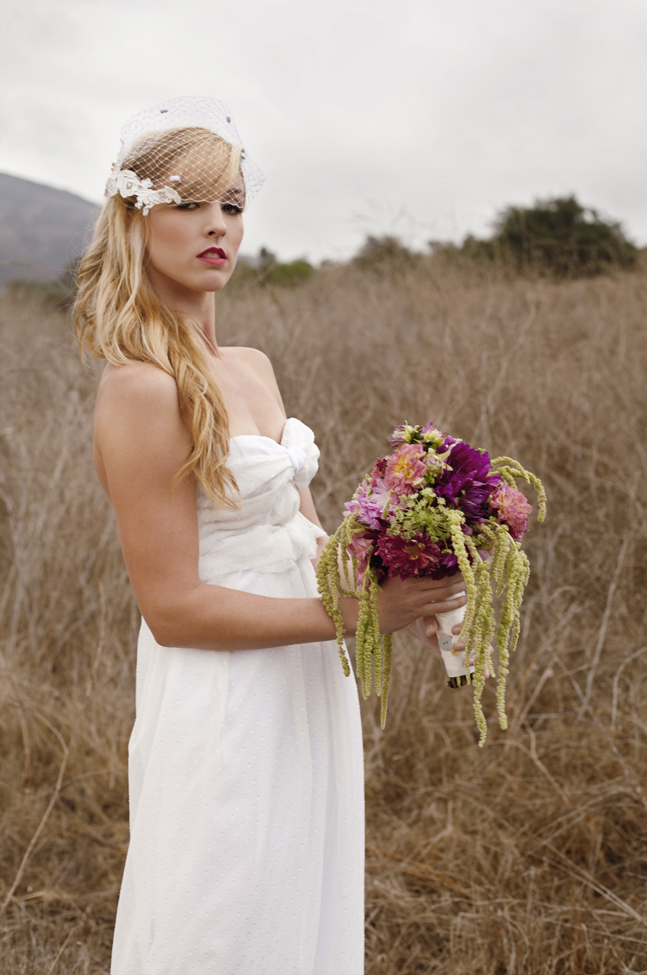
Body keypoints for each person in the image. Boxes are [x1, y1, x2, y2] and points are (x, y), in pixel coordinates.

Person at [74, 96, 467, 975]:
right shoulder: (139, 387)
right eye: (189, 203)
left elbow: (308, 540)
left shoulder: (252, 366)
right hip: (224, 696)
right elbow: (173, 608)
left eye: (234, 206)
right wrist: (356, 609)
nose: (219, 226)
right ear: (137, 220)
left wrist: (412, 543)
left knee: (297, 906)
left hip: (301, 687)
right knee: (222, 917)